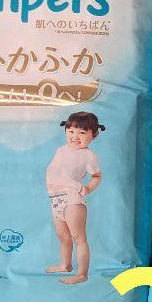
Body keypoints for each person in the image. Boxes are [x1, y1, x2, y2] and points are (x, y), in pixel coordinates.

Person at [45, 111, 104, 284]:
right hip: (55, 198)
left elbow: (97, 176)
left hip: (72, 200)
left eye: (82, 133)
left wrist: (88, 188)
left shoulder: (88, 156)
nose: (75, 136)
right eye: (71, 131)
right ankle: (65, 264)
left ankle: (82, 274)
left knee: (79, 238)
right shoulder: (61, 149)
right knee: (62, 236)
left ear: (94, 135)